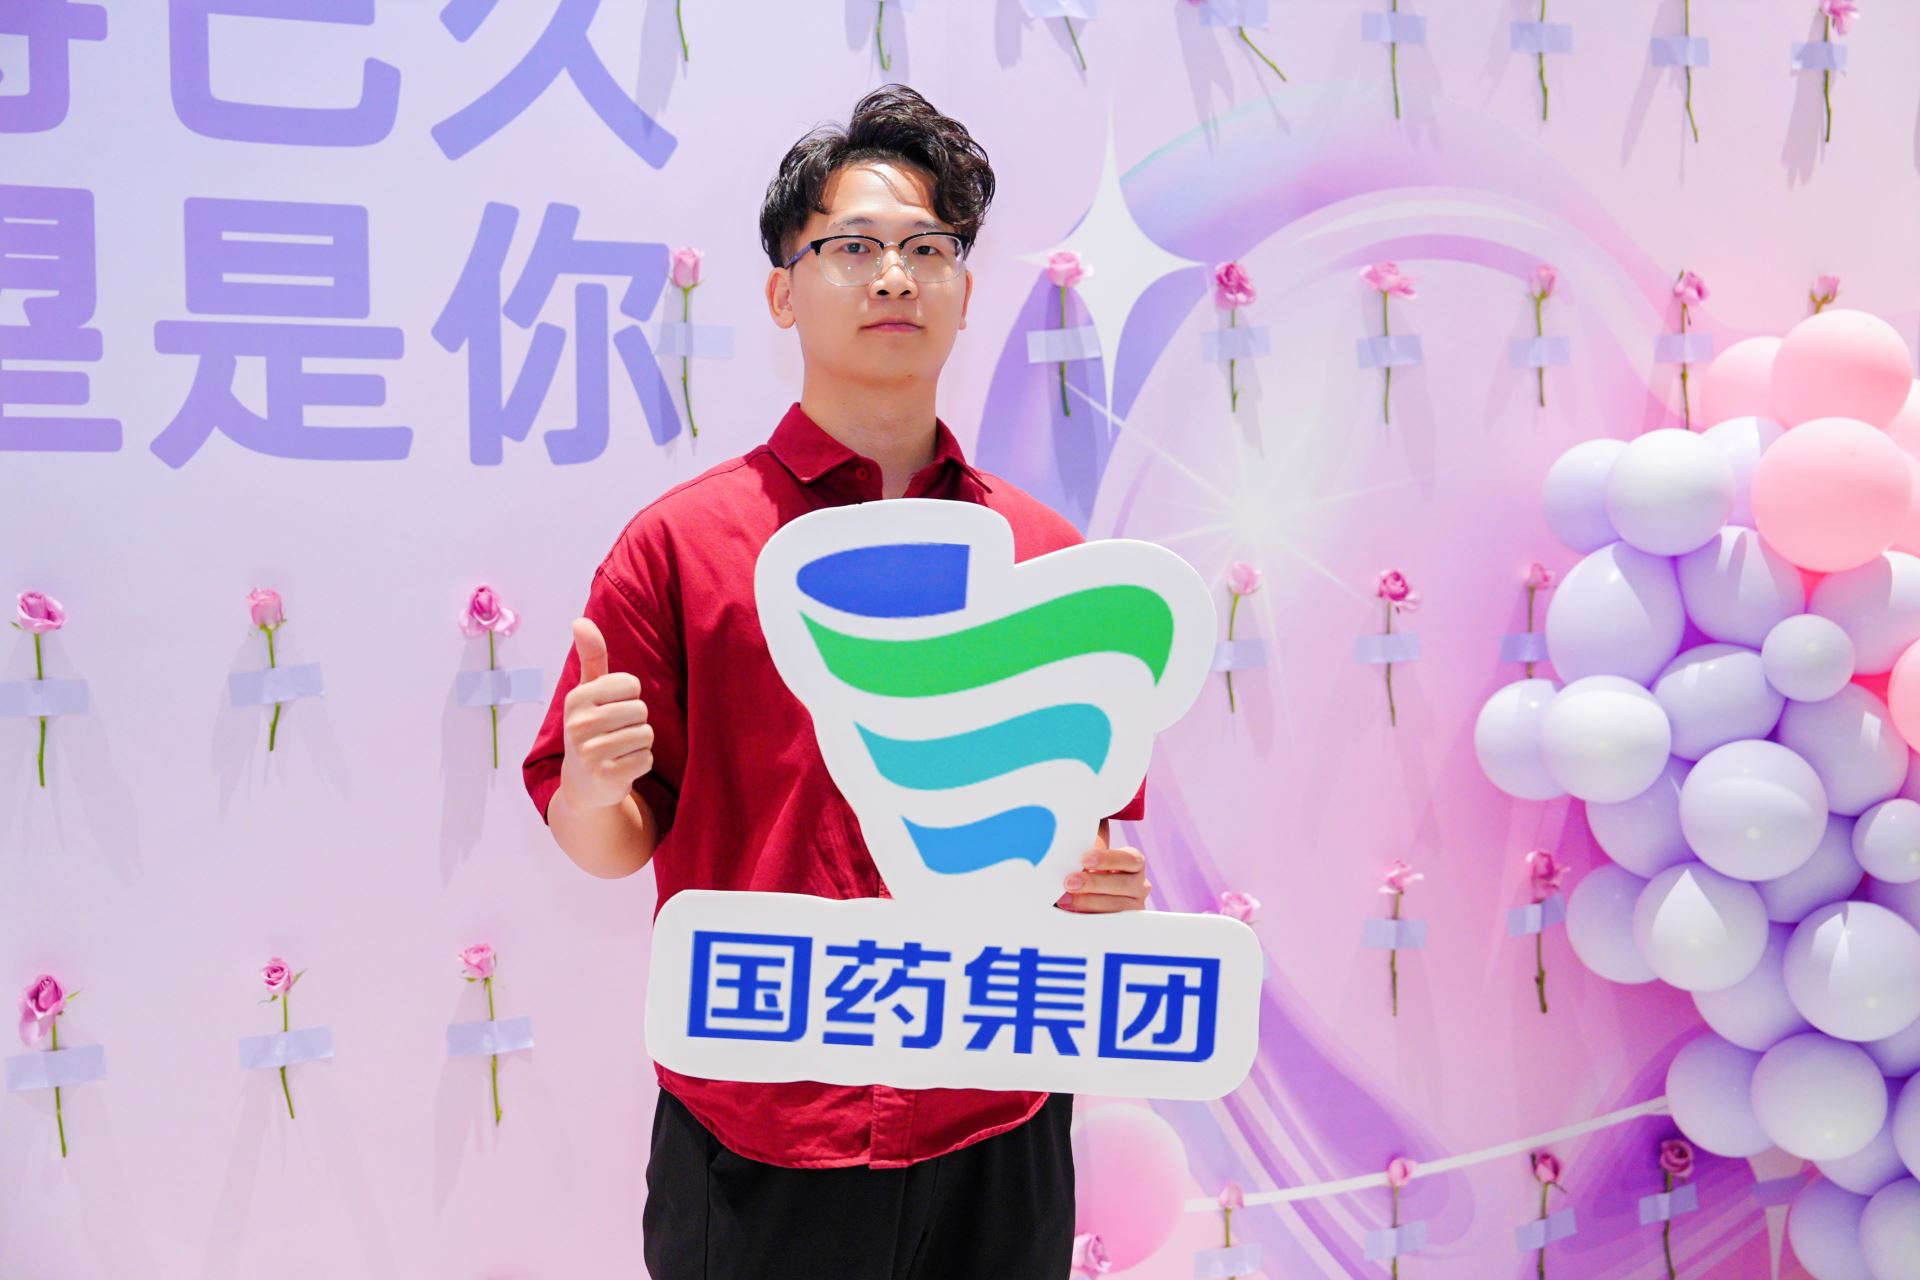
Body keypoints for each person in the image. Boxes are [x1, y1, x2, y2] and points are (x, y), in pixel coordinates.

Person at [521, 83, 1154, 1280]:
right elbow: (607, 838)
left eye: (929, 248)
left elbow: (1090, 835)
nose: (895, 276)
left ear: (965, 289)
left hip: (996, 1114)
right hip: (760, 1122)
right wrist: (597, 786)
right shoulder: (682, 544)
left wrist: (1098, 881)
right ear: (783, 290)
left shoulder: (1047, 557)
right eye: (853, 246)